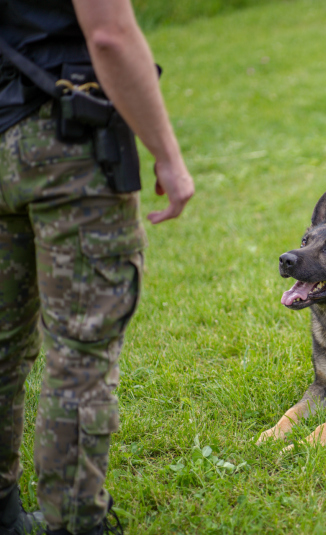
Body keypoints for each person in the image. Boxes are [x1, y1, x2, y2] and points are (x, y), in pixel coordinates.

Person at [0, 0, 194, 533]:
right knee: (81, 352)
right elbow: (108, 33)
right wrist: (168, 156)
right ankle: (78, 522)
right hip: (67, 148)